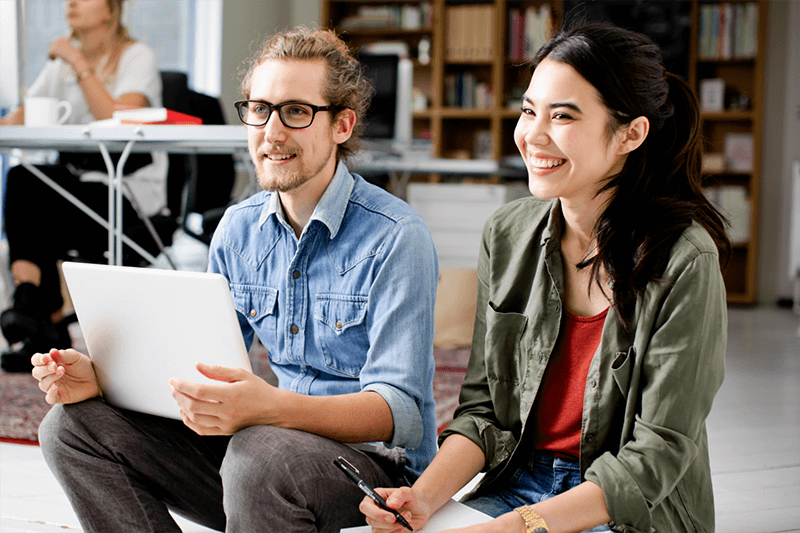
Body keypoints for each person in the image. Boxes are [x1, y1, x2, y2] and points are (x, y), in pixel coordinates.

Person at [32, 26, 439, 533]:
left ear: (341, 125)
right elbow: (197, 366)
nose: (271, 131)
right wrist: (102, 379)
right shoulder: (238, 229)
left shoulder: (396, 235)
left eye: (296, 111)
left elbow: (401, 413)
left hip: (373, 474)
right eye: (259, 109)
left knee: (257, 451)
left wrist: (272, 408)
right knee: (70, 427)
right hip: (265, 453)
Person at [360, 21, 730, 533]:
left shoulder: (685, 260)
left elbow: (657, 454)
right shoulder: (507, 234)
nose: (531, 135)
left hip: (625, 507)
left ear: (631, 133)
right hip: (518, 482)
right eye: (529, 110)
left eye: (562, 116)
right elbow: (484, 411)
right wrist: (420, 499)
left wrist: (513, 528)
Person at [0, 0, 166, 372]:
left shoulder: (136, 57)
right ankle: (35, 307)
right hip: (78, 184)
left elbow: (117, 118)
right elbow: (24, 115)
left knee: (39, 199)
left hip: (127, 189)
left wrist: (77, 62)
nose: (70, 2)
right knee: (24, 179)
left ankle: (43, 318)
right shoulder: (61, 62)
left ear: (111, 9)